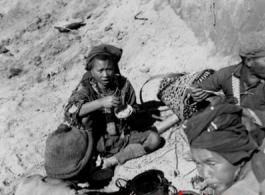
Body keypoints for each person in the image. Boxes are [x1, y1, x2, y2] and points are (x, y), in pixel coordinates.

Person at [64, 44, 162, 168]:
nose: (105, 75)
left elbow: (134, 106)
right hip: (95, 140)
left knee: (155, 139)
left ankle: (112, 161)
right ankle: (92, 155)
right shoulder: (85, 88)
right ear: (92, 71)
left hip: (122, 135)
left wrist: (130, 112)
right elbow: (69, 111)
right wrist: (100, 102)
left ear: (114, 69)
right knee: (84, 118)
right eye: (100, 71)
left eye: (109, 69)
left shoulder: (123, 85)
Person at [183, 103, 265, 195]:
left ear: (238, 156)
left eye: (212, 163)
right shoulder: (257, 159)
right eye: (198, 163)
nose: (205, 174)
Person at [190, 31, 265, 128]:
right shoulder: (227, 75)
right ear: (249, 61)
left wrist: (243, 112)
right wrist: (195, 94)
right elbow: (197, 88)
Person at [15, 124, 94, 195]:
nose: (94, 163)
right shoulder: (69, 193)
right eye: (91, 158)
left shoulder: (27, 182)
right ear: (82, 169)